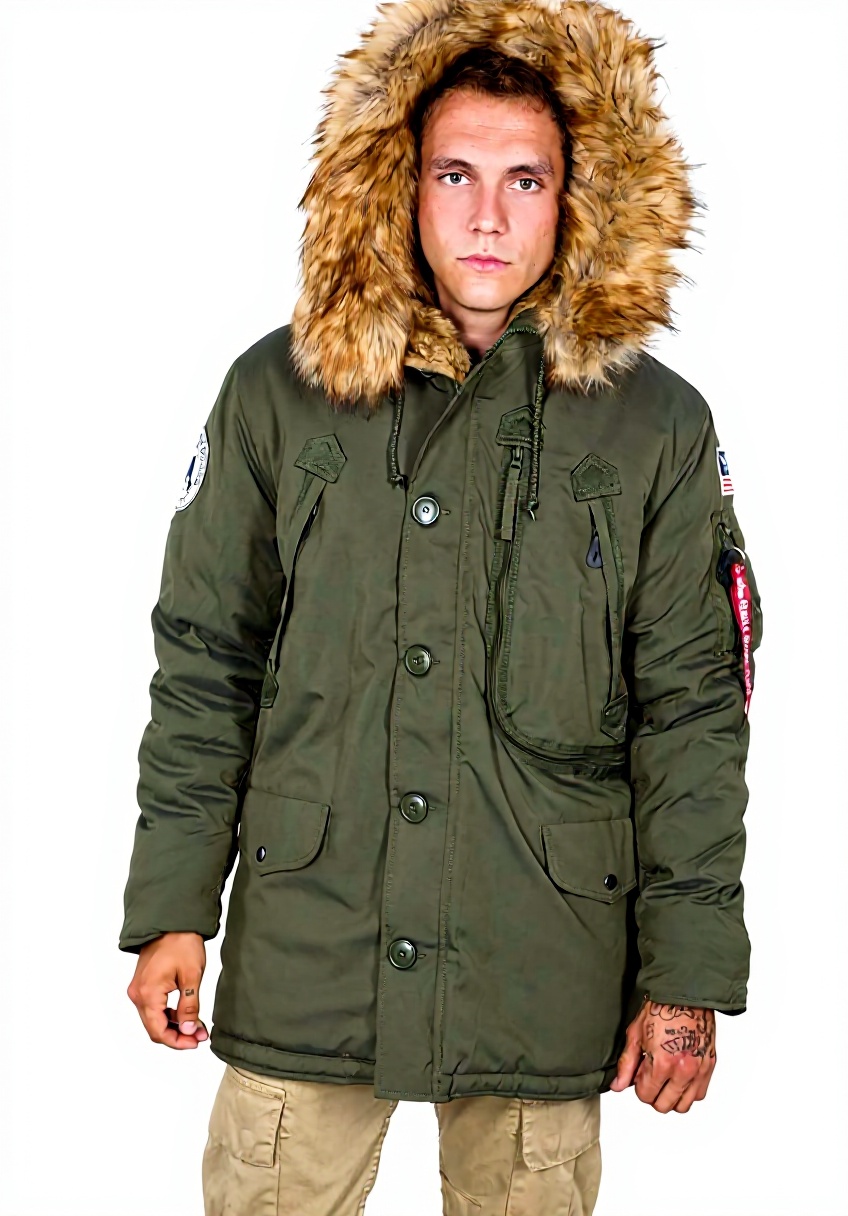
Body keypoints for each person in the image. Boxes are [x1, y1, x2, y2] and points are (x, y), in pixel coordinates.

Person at [119, 1, 764, 1212]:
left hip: (542, 956)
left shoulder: (653, 425)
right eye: (453, 173)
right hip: (310, 946)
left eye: (526, 179)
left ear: (580, 195)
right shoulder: (278, 391)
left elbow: (690, 712)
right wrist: (171, 904)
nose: (485, 216)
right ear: (395, 183)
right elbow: (206, 661)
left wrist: (685, 974)